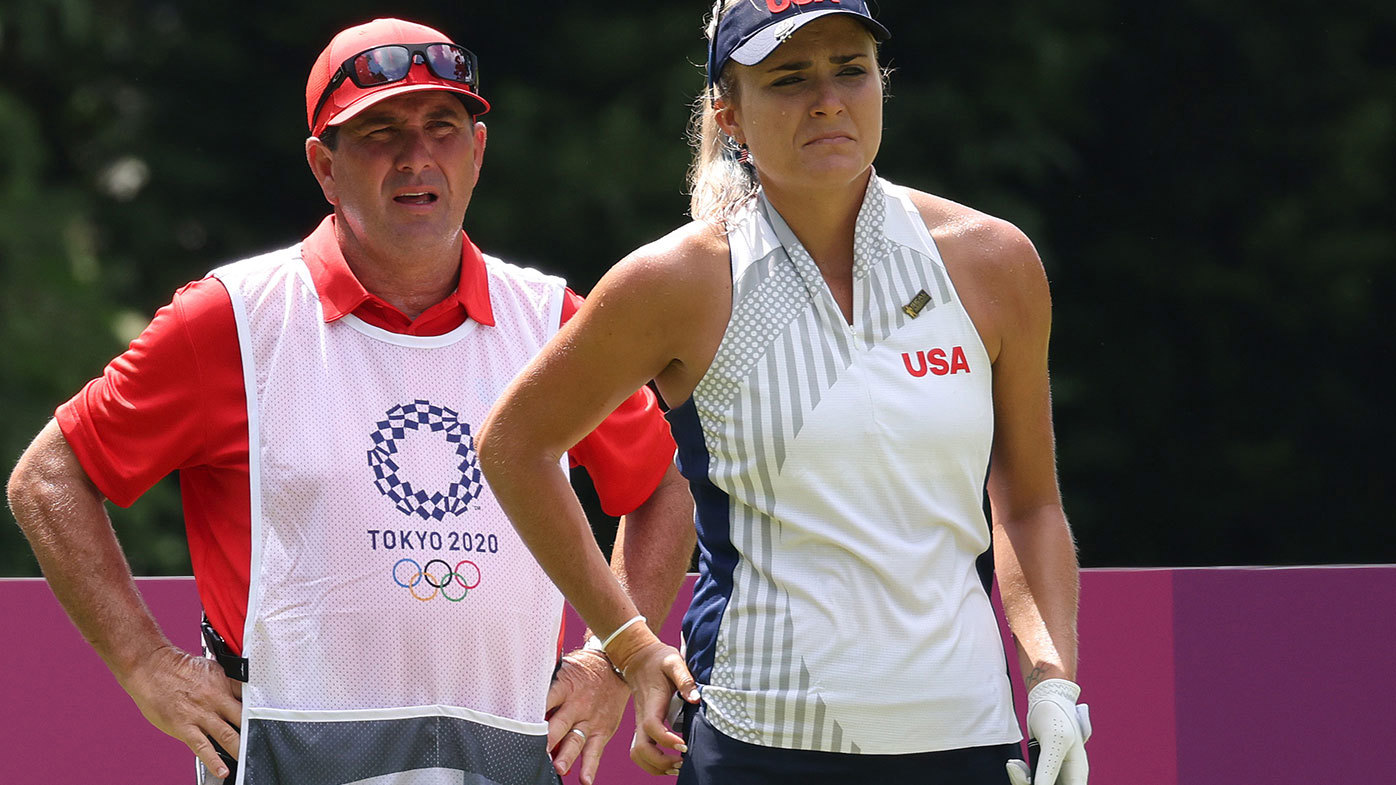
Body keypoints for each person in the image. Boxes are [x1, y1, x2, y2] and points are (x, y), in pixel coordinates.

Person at [6, 17, 696, 785]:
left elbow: (666, 483)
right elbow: (47, 478)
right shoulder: (231, 318)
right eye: (378, 133)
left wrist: (612, 658)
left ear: (478, 152)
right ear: (324, 168)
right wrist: (143, 664)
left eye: (443, 125)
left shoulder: (551, 321)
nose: (416, 156)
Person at [476, 1, 1092, 783]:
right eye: (790, 78)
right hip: (758, 745)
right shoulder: (677, 281)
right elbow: (513, 445)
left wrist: (1052, 677)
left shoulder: (994, 263)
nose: (828, 99)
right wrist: (628, 645)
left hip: (967, 737)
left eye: (851, 71)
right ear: (729, 114)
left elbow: (1029, 502)